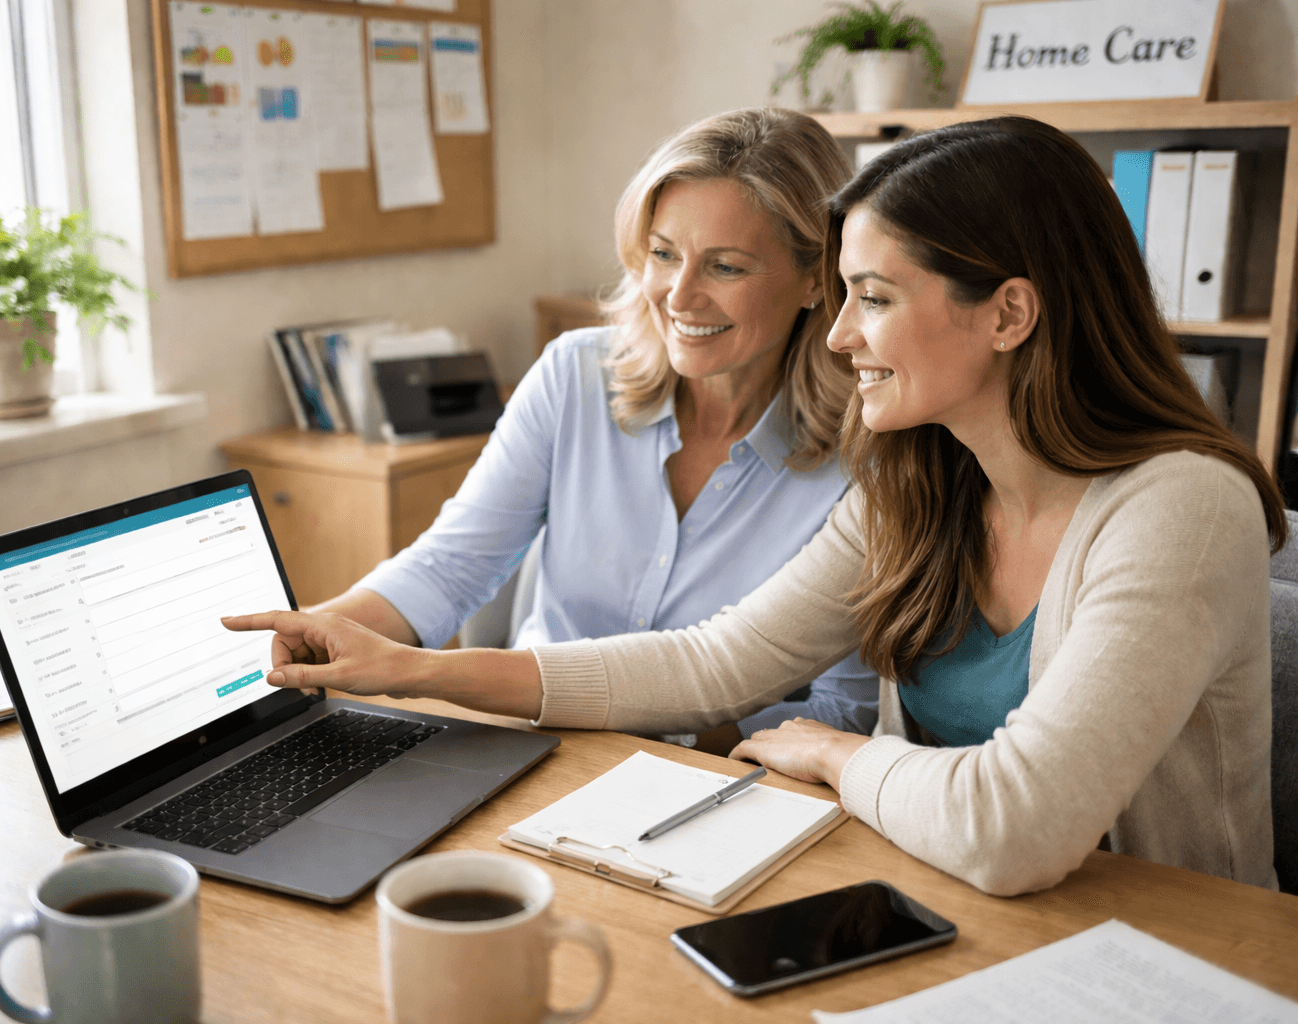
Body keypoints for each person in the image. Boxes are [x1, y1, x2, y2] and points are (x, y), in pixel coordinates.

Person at [225, 116, 1286, 896]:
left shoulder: (1179, 509)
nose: (839, 332)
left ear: (1009, 313)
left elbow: (1017, 826)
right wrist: (413, 666)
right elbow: (709, 660)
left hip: (1161, 944)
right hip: (945, 896)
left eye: (873, 297)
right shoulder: (927, 482)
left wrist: (830, 754)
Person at [300, 107, 880, 739]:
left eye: (726, 266)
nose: (680, 296)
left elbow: (841, 710)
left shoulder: (867, 454)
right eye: (663, 254)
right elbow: (448, 568)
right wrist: (307, 638)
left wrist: (657, 731)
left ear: (816, 279)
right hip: (526, 744)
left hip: (712, 779)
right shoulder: (576, 375)